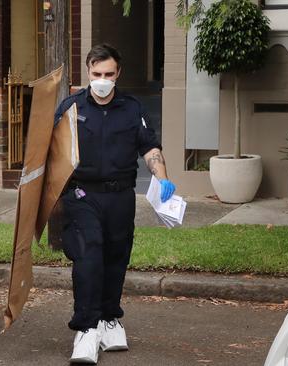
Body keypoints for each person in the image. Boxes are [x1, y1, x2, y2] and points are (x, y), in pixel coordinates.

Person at [54, 44, 175, 364]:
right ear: (88, 73)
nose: (102, 80)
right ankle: (86, 328)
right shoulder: (70, 108)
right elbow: (50, 157)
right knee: (89, 255)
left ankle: (109, 319)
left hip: (121, 196)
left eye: (109, 74)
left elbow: (151, 150)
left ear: (118, 73)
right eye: (96, 74)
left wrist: (163, 179)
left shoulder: (132, 109)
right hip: (82, 195)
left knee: (116, 258)